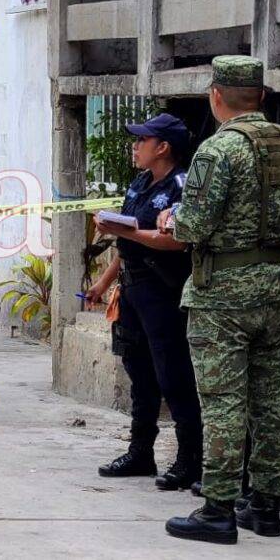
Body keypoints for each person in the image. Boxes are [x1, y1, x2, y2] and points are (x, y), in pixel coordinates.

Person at [158, 55, 280, 545]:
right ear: (261, 97)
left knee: (223, 401)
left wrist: (171, 221)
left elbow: (194, 226)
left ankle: (218, 507)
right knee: (270, 398)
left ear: (216, 96)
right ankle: (267, 504)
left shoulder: (217, 151)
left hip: (222, 295)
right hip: (274, 288)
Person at [87, 113, 202, 492]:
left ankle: (190, 460)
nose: (135, 147)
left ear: (163, 147)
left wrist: (126, 233)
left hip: (163, 289)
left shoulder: (182, 187)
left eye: (142, 141)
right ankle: (141, 452)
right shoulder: (140, 183)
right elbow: (128, 237)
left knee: (174, 374)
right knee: (139, 373)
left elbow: (177, 240)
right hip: (134, 287)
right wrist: (103, 282)